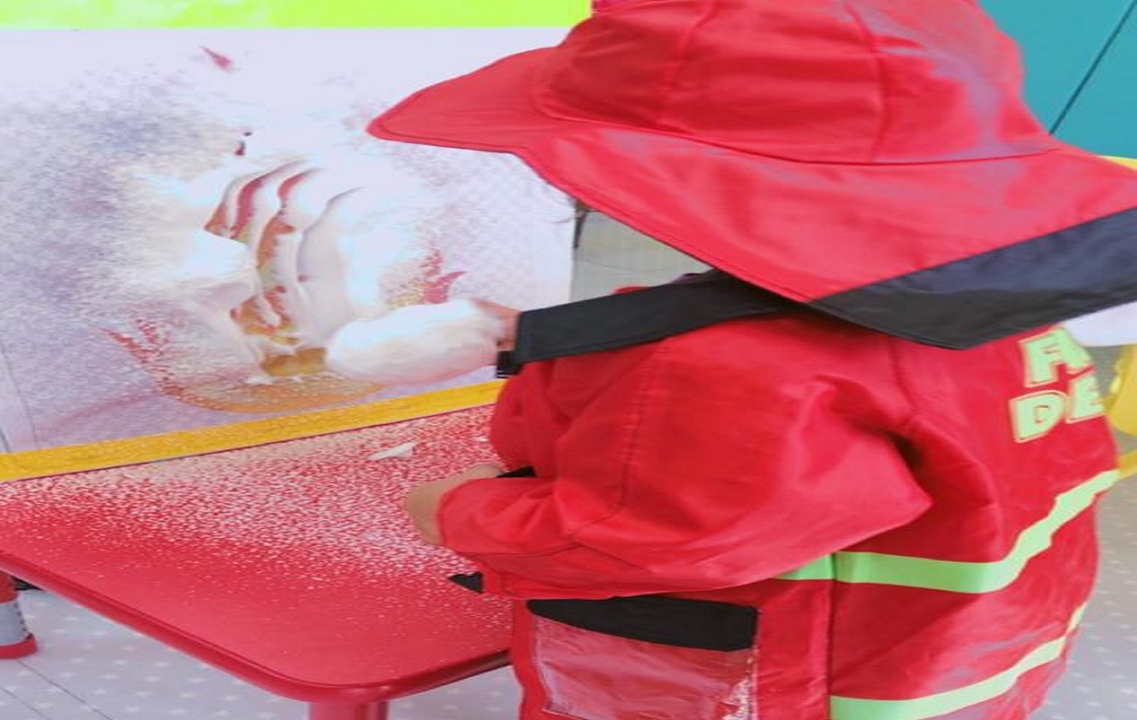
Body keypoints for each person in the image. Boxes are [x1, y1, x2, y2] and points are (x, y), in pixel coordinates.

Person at [374, 1, 1137, 718]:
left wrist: (460, 512)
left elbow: (652, 536)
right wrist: (561, 339)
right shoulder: (990, 312)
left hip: (778, 682)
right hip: (964, 655)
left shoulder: (727, 368)